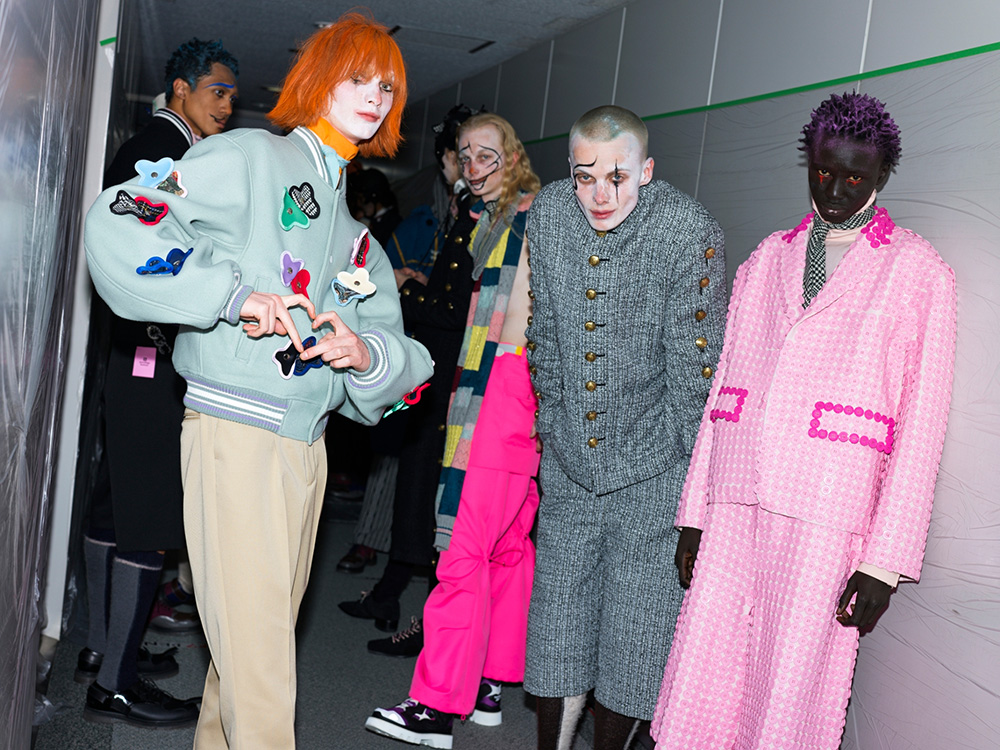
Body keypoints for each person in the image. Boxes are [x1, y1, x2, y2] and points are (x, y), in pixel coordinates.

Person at [84, 13, 433, 748]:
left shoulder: (352, 229)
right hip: (235, 433)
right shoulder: (249, 156)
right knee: (263, 671)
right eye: (357, 78)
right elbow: (123, 215)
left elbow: (406, 360)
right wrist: (232, 295)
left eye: (387, 86)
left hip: (306, 449)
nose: (375, 96)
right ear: (318, 80)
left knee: (245, 656)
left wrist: (364, 353)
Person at [651, 92, 957, 749]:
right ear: (809, 163)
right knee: (706, 669)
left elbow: (922, 429)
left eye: (855, 177)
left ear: (882, 174)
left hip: (828, 506)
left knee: (788, 686)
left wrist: (884, 562)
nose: (837, 191)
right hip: (736, 495)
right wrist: (695, 513)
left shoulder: (917, 272)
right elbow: (723, 388)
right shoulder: (767, 258)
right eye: (824, 172)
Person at [522, 105, 726, 749]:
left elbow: (695, 372)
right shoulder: (549, 216)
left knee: (638, 634)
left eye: (617, 178)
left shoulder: (688, 231)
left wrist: (697, 497)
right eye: (584, 177)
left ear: (647, 170)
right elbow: (543, 333)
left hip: (655, 469)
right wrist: (553, 426)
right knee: (557, 623)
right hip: (569, 466)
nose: (600, 196)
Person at [365, 112, 541, 749]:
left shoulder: (526, 218)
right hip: (518, 398)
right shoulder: (504, 219)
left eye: (485, 153)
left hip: (499, 392)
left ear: (512, 156)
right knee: (506, 548)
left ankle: (436, 706)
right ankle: (489, 685)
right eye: (464, 155)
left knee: (463, 549)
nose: (472, 165)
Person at [77, 37, 238, 729]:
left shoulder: (152, 146)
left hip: (130, 352)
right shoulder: (168, 155)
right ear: (181, 88)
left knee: (114, 507)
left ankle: (102, 651)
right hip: (151, 352)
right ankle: (116, 682)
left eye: (231, 96)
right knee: (147, 515)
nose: (227, 106)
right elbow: (157, 262)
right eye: (218, 91)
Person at [340, 104, 480, 653]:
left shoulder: (476, 216)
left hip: (451, 371)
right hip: (440, 368)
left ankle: (424, 620)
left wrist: (404, 289)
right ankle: (391, 593)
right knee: (416, 485)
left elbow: (452, 309)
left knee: (432, 494)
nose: (458, 167)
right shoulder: (460, 212)